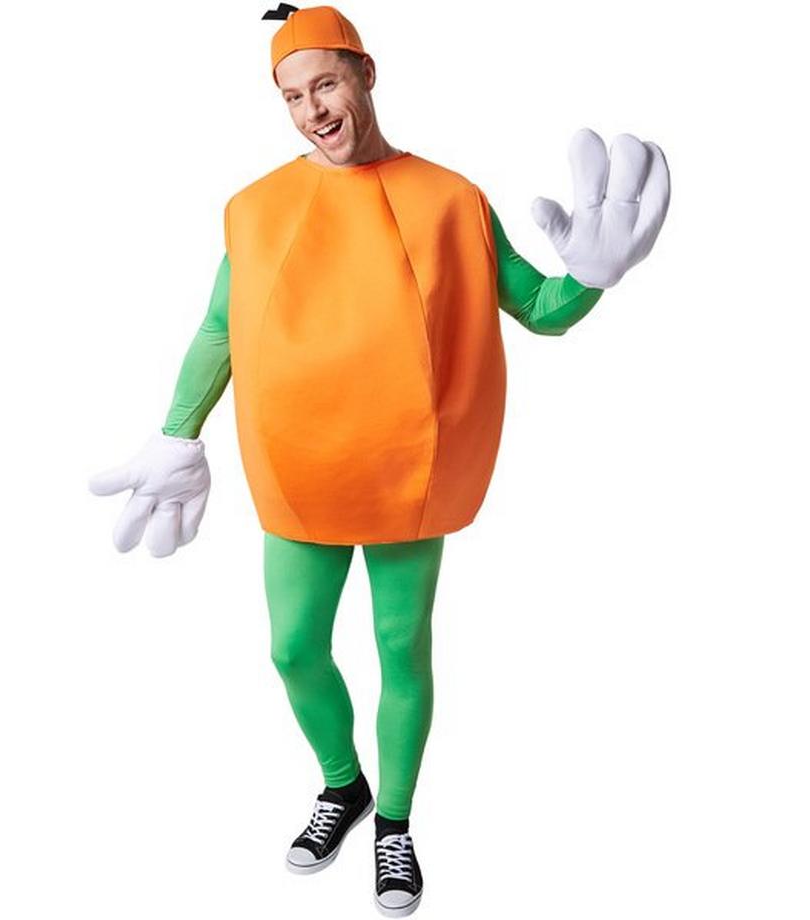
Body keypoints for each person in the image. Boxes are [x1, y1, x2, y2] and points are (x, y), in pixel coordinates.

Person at [89, 5, 670, 916]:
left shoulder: (450, 198)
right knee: (292, 649)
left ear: (365, 74)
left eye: (324, 84)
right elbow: (219, 327)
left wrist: (591, 278)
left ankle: (393, 822)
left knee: (401, 647)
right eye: (292, 97)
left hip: (410, 470)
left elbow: (538, 307)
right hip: (298, 469)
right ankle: (343, 785)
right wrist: (176, 431)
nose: (312, 110)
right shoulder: (254, 208)